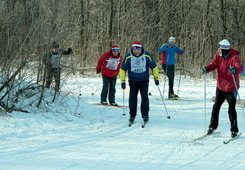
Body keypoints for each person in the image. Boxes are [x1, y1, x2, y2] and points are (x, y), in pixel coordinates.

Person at [202, 39, 243, 138]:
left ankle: (234, 130)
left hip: (231, 87)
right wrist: (207, 68)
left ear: (225, 50)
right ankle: (212, 127)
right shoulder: (218, 56)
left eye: (220, 49)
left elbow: (240, 68)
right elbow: (213, 64)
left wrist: (235, 69)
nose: (218, 51)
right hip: (220, 86)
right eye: (218, 49)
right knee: (216, 107)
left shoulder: (234, 56)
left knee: (231, 109)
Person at [120, 42, 159, 125]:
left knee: (144, 97)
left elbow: (154, 66)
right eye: (134, 49)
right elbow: (123, 69)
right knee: (132, 98)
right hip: (133, 81)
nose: (136, 51)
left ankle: (145, 115)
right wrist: (122, 81)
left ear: (141, 49)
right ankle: (132, 115)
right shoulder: (128, 56)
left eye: (138, 49)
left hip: (144, 80)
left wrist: (156, 78)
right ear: (132, 49)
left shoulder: (147, 55)